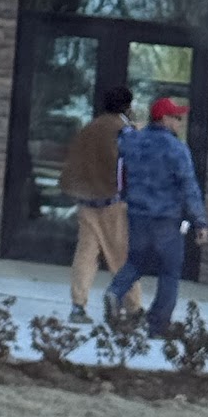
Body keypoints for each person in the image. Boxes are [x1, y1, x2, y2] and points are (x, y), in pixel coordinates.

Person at [106, 97, 208, 336]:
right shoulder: (177, 149)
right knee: (169, 271)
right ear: (164, 119)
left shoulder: (132, 141)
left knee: (136, 261)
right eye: (177, 117)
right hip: (166, 218)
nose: (180, 122)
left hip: (137, 214)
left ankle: (115, 292)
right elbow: (188, 187)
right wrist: (199, 221)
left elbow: (121, 148)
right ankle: (158, 324)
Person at [59, 85, 138, 323]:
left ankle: (78, 306)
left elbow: (74, 163)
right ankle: (132, 307)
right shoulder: (124, 131)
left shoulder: (89, 128)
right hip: (113, 203)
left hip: (87, 201)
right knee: (120, 256)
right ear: (127, 106)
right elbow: (132, 165)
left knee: (85, 255)